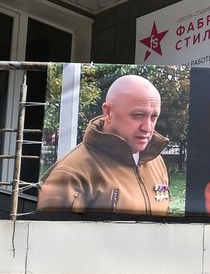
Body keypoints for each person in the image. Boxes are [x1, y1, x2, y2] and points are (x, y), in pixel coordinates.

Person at [38, 74, 170, 215]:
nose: (148, 128)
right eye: (138, 115)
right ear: (108, 112)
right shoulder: (71, 174)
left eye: (153, 116)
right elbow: (54, 235)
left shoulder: (155, 160)